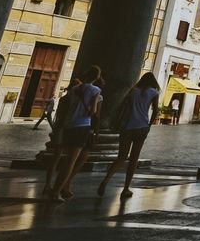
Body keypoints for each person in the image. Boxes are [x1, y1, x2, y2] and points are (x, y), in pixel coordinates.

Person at [98, 72, 160, 200]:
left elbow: (124, 107)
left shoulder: (133, 91)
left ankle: (106, 180)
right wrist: (149, 124)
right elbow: (155, 110)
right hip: (142, 127)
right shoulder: (154, 93)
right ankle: (126, 188)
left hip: (127, 127)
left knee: (121, 157)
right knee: (133, 159)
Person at [53, 65, 104, 201]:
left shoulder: (74, 89)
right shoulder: (95, 90)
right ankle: (56, 191)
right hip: (82, 126)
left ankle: (57, 188)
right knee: (71, 162)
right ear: (97, 77)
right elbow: (93, 112)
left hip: (69, 125)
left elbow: (67, 105)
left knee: (66, 160)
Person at [42, 77, 82, 197]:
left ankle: (49, 185)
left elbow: (59, 115)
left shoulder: (65, 99)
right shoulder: (72, 100)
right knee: (67, 159)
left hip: (60, 128)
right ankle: (58, 187)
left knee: (57, 158)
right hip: (67, 129)